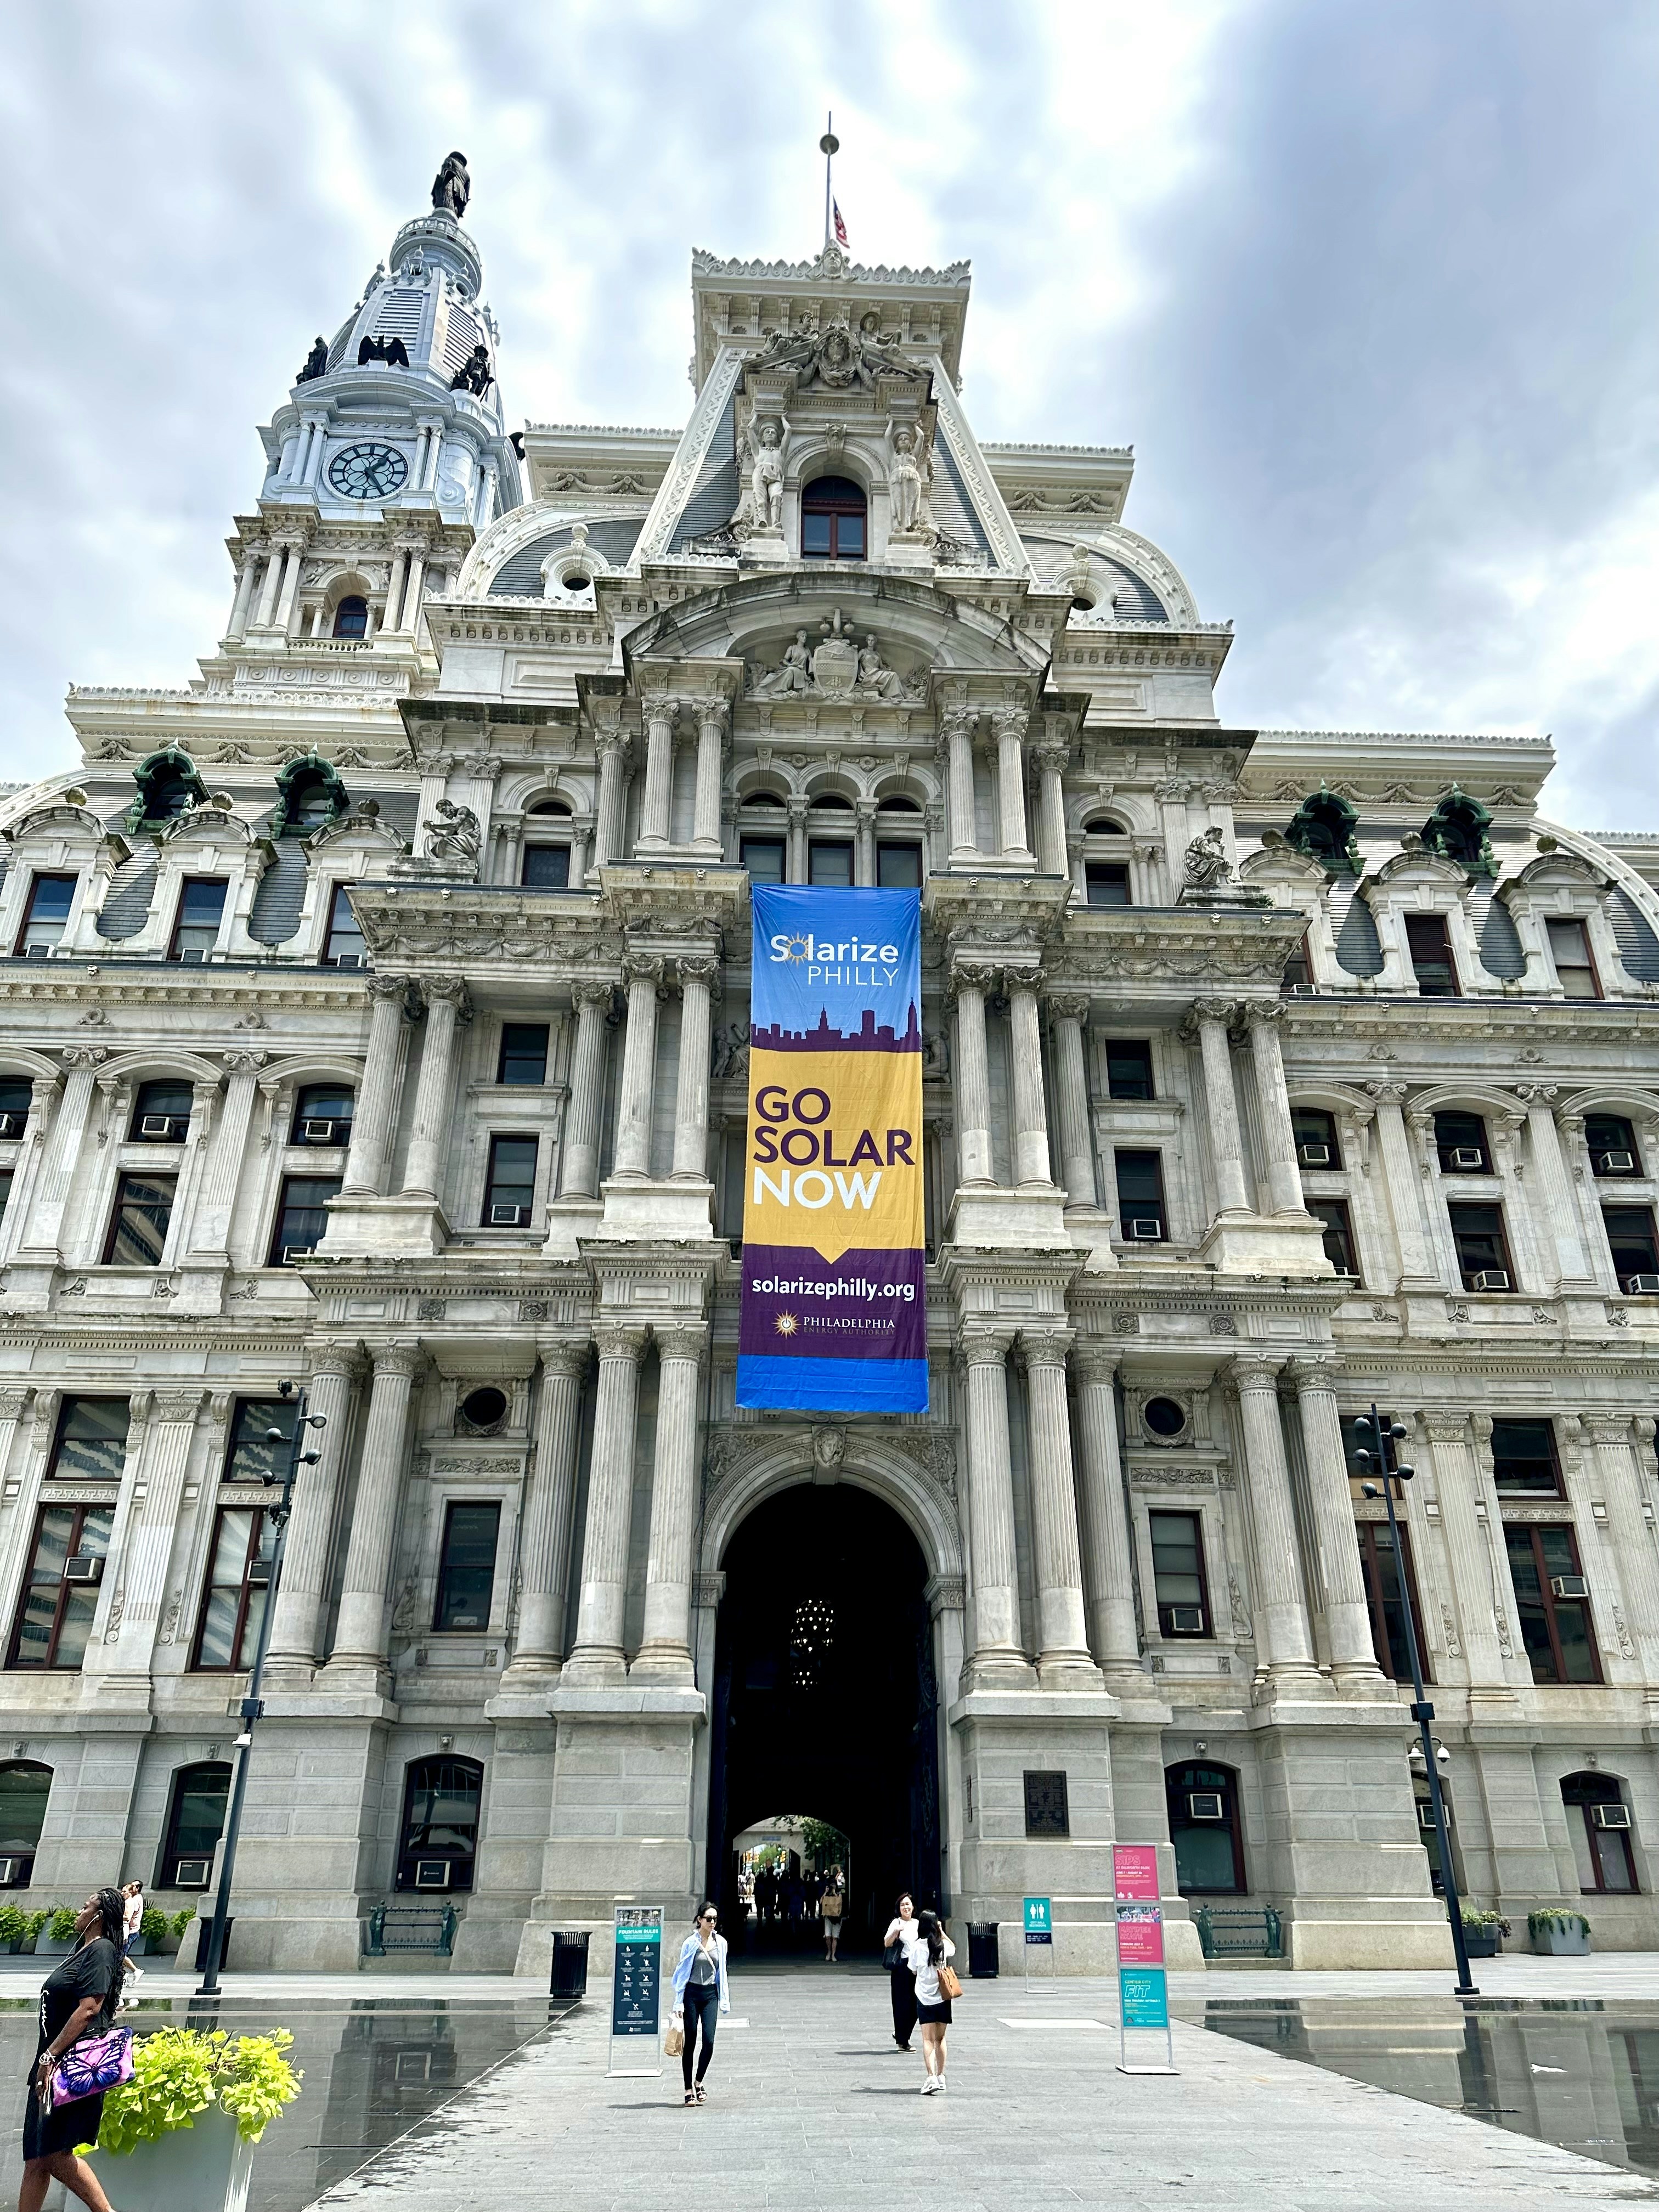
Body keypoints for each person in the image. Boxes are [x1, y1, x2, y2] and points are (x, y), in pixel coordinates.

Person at [20, 1887, 125, 2212]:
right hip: (49, 2066)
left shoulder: (102, 1950)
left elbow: (90, 2008)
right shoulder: (84, 1949)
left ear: (98, 1916)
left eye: (85, 1907)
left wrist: (50, 2057)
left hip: (69, 2067)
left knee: (55, 2155)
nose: (79, 1913)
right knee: (36, 2159)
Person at [669, 1904, 730, 2107]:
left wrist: (724, 1999)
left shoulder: (721, 1943)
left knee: (710, 2041)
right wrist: (679, 2001)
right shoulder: (690, 1943)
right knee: (691, 2041)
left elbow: (722, 1974)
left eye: (715, 1919)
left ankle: (699, 2081)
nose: (712, 1922)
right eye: (708, 1919)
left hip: (711, 1994)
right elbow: (682, 1972)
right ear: (699, 1920)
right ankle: (688, 2089)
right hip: (692, 1995)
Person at [905, 1908, 956, 2094]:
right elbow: (954, 1948)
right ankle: (941, 2076)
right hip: (943, 1997)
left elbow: (912, 1970)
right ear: (935, 1925)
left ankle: (931, 2077)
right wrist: (942, 1932)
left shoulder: (917, 1946)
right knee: (941, 2038)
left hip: (924, 1998)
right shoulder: (942, 1945)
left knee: (928, 2039)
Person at [882, 1892, 919, 2050]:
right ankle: (903, 2042)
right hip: (901, 1967)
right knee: (901, 2004)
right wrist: (896, 1931)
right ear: (899, 1908)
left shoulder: (918, 1923)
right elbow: (887, 1943)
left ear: (913, 1907)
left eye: (908, 1904)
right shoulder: (896, 1923)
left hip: (917, 1967)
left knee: (918, 2003)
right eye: (903, 1905)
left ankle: (901, 2032)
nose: (906, 1907)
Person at [821, 1866, 845, 1962]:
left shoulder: (839, 1894)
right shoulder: (827, 1894)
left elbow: (839, 1902)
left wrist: (834, 1892)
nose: (832, 1886)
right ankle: (829, 1951)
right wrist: (826, 1892)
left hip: (836, 1918)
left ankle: (833, 1954)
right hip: (828, 1917)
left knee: (835, 1937)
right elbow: (821, 1902)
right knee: (828, 1936)